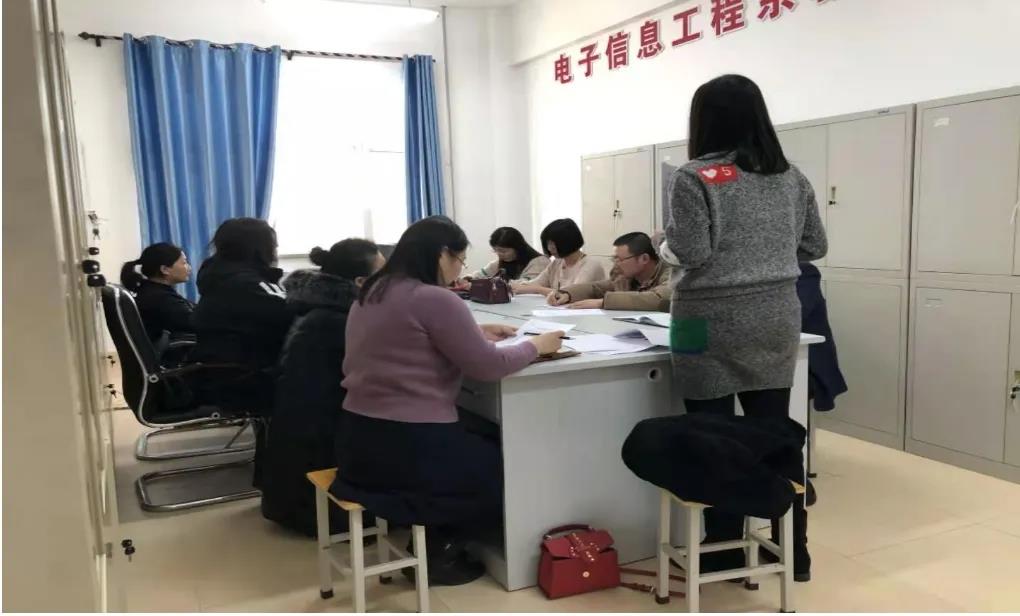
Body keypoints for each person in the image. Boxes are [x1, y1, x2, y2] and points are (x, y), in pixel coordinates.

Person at [332, 215, 563, 586]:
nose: (460, 269)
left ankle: (438, 535)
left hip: (358, 440)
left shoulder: (374, 291)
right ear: (442, 254)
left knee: (481, 437)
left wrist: (474, 332)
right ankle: (442, 547)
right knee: (509, 465)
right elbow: (488, 366)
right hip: (408, 447)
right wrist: (536, 345)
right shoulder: (434, 298)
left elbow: (407, 336)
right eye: (459, 259)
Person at [662, 74, 827, 581]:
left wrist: (665, 246)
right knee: (774, 432)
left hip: (700, 321)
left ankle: (725, 547)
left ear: (703, 121)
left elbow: (691, 251)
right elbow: (815, 246)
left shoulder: (693, 176)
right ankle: (794, 549)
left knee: (712, 435)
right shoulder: (791, 177)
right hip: (775, 316)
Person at [261, 239, 386, 537]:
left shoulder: (318, 307)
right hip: (324, 437)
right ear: (360, 282)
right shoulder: (343, 320)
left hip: (300, 431)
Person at [191, 218, 293, 415]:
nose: (276, 250)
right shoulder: (246, 284)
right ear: (260, 248)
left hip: (224, 372)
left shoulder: (223, 277)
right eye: (274, 245)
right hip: (246, 378)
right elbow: (292, 315)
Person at [547, 232, 671, 311]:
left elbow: (658, 298)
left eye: (620, 259)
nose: (615, 263)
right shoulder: (626, 276)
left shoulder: (671, 272)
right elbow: (596, 288)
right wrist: (566, 293)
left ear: (644, 259)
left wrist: (603, 302)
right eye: (614, 258)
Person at [119, 242, 195, 344]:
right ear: (164, 269)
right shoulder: (161, 298)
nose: (189, 268)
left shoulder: (151, 291)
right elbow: (195, 323)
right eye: (184, 263)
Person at [512, 218, 605, 295]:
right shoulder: (557, 263)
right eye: (548, 243)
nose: (549, 248)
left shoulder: (591, 264)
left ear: (568, 242)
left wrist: (537, 289)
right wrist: (513, 285)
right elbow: (536, 283)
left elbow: (572, 293)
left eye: (553, 244)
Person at [468, 227, 549, 282]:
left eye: (503, 251)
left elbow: (526, 285)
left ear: (517, 248)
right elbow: (480, 275)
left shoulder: (540, 262)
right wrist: (468, 279)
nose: (499, 254)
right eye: (496, 251)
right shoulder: (499, 263)